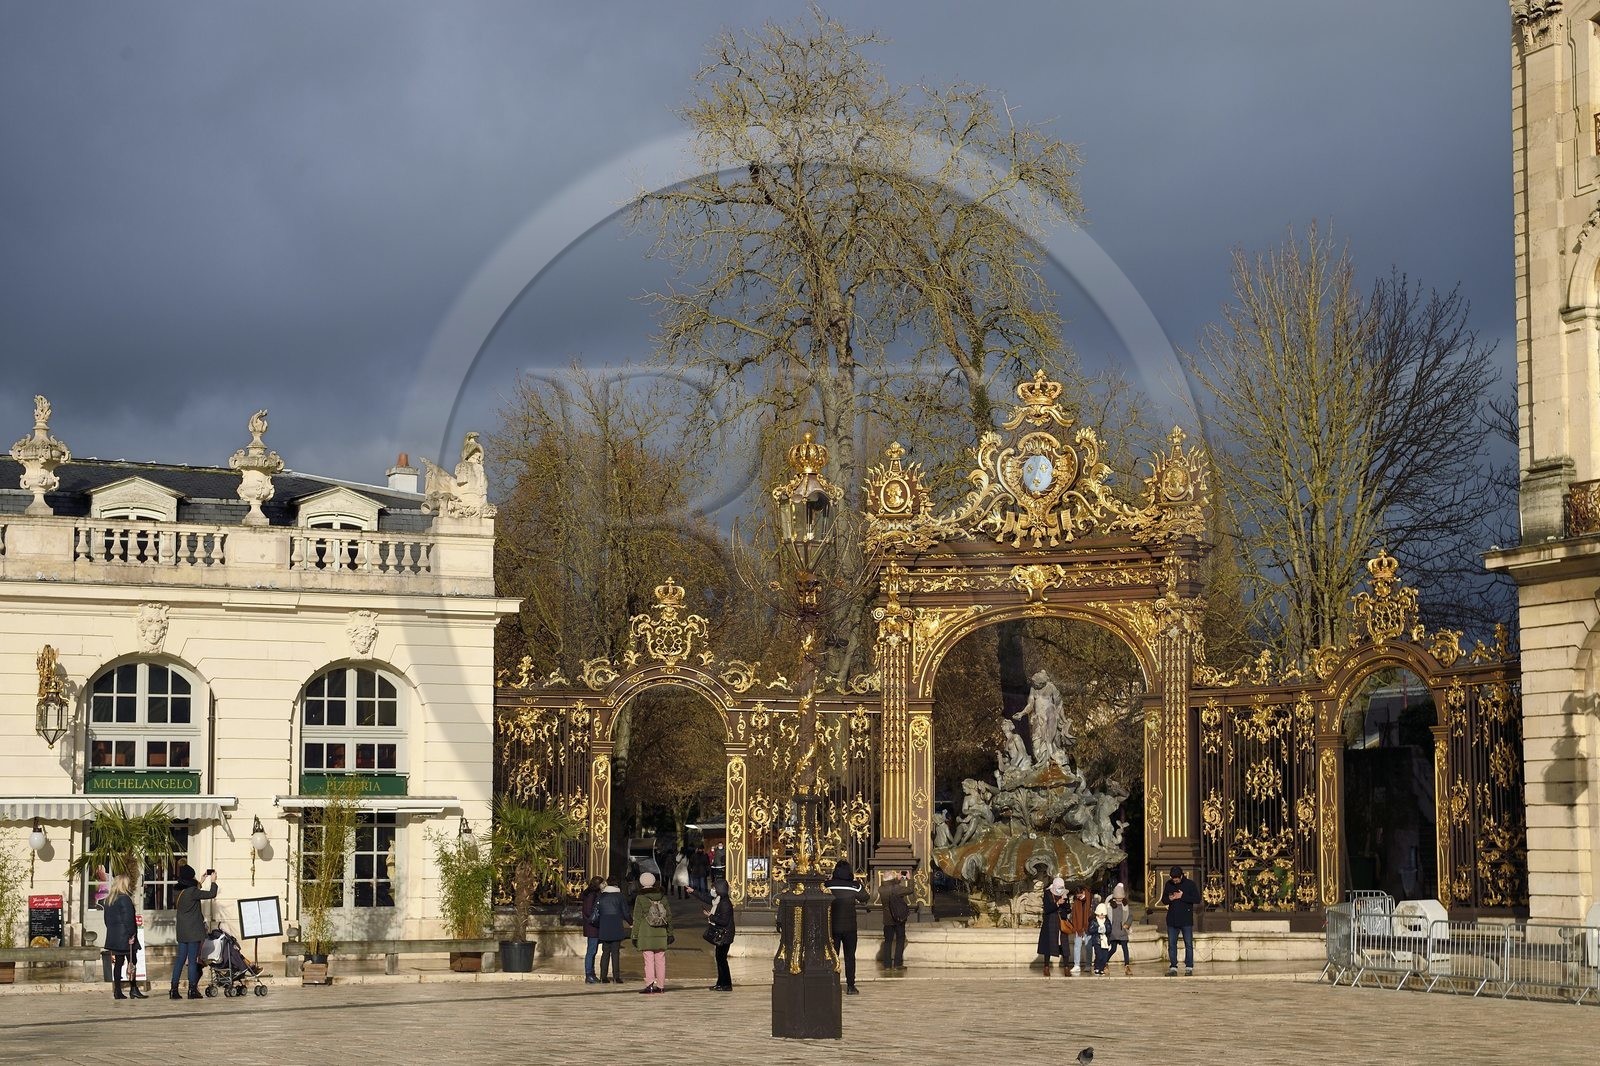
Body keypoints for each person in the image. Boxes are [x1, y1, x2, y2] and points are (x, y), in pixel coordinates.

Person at [169, 865, 217, 1000]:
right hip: (193, 931)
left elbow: (191, 892)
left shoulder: (177, 890)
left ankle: (173, 989)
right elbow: (211, 894)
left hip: (182, 930)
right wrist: (213, 881)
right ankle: (192, 990)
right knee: (192, 960)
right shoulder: (192, 891)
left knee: (180, 959)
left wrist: (200, 882)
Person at [103, 874, 145, 1000]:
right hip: (125, 937)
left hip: (114, 937)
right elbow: (129, 919)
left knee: (118, 964)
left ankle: (117, 991)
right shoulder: (125, 899)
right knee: (132, 961)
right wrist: (132, 934)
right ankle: (133, 988)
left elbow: (106, 920)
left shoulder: (109, 899)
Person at [825, 859, 863, 995]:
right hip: (850, 928)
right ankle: (851, 986)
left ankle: (832, 984)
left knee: (832, 956)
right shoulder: (854, 886)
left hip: (832, 927)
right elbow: (865, 897)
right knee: (849, 957)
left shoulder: (828, 885)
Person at [630, 871, 672, 994]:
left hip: (645, 931)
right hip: (661, 930)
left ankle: (649, 985)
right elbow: (668, 916)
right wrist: (670, 933)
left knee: (648, 960)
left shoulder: (640, 897)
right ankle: (661, 985)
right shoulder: (662, 896)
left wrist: (634, 935)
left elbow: (637, 918)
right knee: (661, 959)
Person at [1163, 865, 1202, 976]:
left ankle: (1189, 967)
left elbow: (1197, 899)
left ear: (1181, 875)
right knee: (1171, 944)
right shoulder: (1168, 884)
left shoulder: (1190, 884)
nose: (1174, 880)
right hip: (1172, 919)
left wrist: (1182, 896)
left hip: (1186, 919)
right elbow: (1164, 900)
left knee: (1188, 944)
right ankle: (1173, 967)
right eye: (1173, 878)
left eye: (1176, 878)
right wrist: (1169, 899)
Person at [699, 877, 735, 991]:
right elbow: (706, 898)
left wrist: (710, 916)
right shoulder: (719, 900)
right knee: (720, 959)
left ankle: (726, 984)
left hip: (725, 935)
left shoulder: (725, 903)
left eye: (714, 888)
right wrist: (693, 892)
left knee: (721, 960)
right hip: (723, 935)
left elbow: (724, 921)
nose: (712, 890)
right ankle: (721, 983)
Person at [594, 876, 630, 984]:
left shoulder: (601, 896)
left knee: (605, 952)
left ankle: (603, 977)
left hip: (604, 925)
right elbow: (625, 912)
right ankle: (616, 976)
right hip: (616, 925)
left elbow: (597, 910)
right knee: (615, 952)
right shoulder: (619, 896)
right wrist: (631, 922)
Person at [878, 869, 912, 970]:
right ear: (892, 879)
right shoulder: (897, 888)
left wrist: (896, 879)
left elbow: (890, 886)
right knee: (900, 939)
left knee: (888, 941)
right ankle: (898, 964)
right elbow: (910, 890)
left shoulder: (881, 889)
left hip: (887, 920)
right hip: (898, 918)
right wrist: (908, 879)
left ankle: (887, 965)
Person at [1038, 876, 1068, 976]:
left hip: (1061, 922)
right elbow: (1047, 909)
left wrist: (1064, 903)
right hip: (1050, 921)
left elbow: (1068, 908)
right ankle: (1046, 967)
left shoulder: (1064, 893)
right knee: (1048, 945)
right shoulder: (1047, 894)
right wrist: (1057, 903)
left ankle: (1066, 967)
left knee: (1064, 944)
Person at [579, 876, 604, 984]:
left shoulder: (593, 895)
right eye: (603, 883)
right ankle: (589, 974)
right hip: (592, 927)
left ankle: (591, 973)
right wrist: (597, 920)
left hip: (593, 927)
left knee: (593, 951)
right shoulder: (591, 895)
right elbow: (589, 912)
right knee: (591, 951)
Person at [1063, 883, 1092, 975]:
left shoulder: (1090, 898)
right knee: (1077, 945)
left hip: (1088, 926)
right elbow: (1074, 914)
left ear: (1083, 892)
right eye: (1077, 896)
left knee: (1088, 946)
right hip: (1078, 927)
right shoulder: (1076, 901)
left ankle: (1088, 965)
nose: (1078, 897)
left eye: (1079, 895)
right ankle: (1076, 965)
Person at [1108, 882, 1133, 975]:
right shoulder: (1110, 906)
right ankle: (1104, 962)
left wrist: (1127, 924)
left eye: (1120, 898)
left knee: (1125, 949)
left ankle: (1127, 966)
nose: (1119, 900)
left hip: (1123, 930)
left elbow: (1130, 916)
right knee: (1113, 949)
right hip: (1114, 931)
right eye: (1117, 898)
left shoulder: (1125, 905)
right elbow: (1108, 918)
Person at [1089, 901, 1114, 976]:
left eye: (1103, 915)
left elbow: (1109, 929)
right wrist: (1097, 929)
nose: (1102, 916)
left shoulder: (1107, 921)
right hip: (1097, 940)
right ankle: (1097, 967)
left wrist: (1106, 929)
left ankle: (1101, 968)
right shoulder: (1094, 921)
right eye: (1100, 914)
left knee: (1105, 956)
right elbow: (1090, 930)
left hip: (1105, 941)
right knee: (1099, 955)